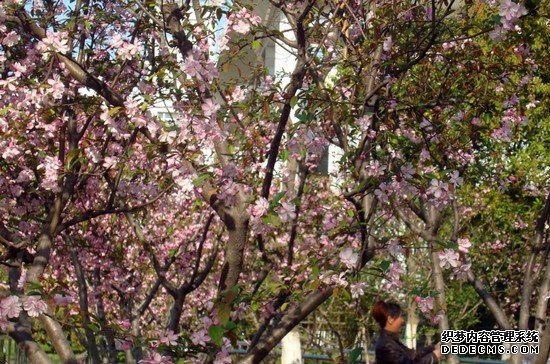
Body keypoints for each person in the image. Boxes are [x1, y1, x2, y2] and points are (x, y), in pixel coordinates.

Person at [371, 300, 441, 364]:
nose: (402, 320)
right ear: (390, 319)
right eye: (400, 316)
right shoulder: (386, 345)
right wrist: (433, 357)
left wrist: (433, 348)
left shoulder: (391, 341)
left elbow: (412, 354)